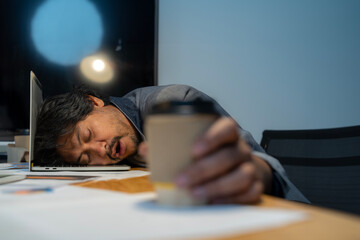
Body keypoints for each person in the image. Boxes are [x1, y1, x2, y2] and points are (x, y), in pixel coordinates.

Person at [35, 84, 309, 204]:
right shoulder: (123, 142)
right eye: (85, 160)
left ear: (92, 102)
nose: (99, 151)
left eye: (87, 136)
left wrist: (255, 172)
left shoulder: (172, 104)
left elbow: (250, 165)